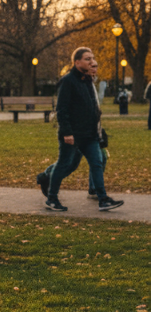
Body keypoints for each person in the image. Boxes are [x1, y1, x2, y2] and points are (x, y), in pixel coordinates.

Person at [40, 48, 123, 212]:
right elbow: (61, 110)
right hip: (73, 134)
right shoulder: (68, 81)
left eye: (92, 58)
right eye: (87, 59)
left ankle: (103, 199)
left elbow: (92, 108)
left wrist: (98, 132)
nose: (91, 62)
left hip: (89, 135)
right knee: (65, 165)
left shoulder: (88, 81)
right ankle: (51, 198)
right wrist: (67, 132)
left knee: (97, 163)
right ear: (77, 62)